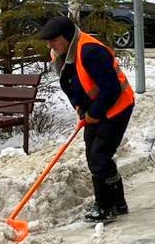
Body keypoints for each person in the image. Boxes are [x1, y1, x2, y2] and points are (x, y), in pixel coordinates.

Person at [40, 15, 136, 223]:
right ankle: (118, 203)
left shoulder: (91, 52)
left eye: (54, 40)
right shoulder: (61, 53)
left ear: (67, 38)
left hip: (117, 107)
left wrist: (94, 113)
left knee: (99, 156)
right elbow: (71, 83)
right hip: (97, 106)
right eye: (48, 42)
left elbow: (111, 89)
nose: (50, 46)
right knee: (95, 154)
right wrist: (80, 107)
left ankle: (105, 207)